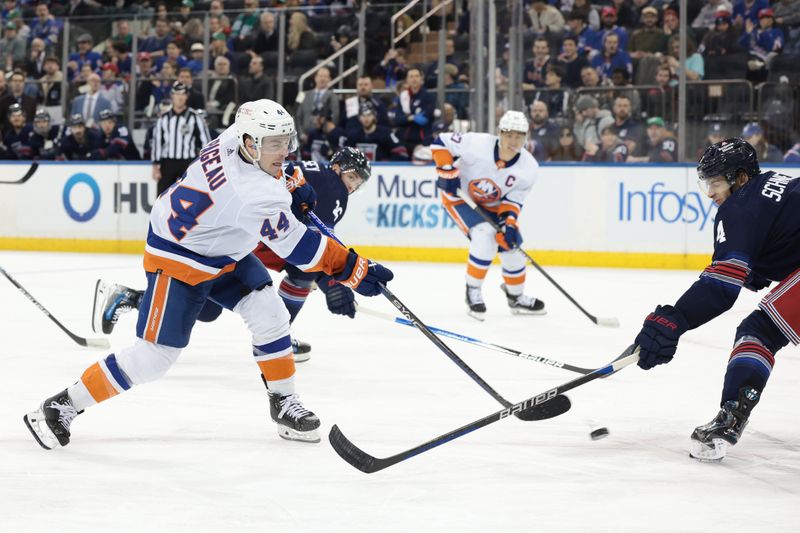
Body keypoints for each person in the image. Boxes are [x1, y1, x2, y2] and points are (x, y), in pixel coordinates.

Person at [23, 99, 394, 450]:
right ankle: (61, 406)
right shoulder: (254, 193)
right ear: (251, 142)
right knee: (155, 357)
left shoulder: (236, 136)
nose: (284, 152)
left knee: (271, 313)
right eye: (275, 144)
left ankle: (283, 402)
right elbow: (300, 250)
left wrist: (292, 182)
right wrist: (353, 269)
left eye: (287, 141)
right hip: (180, 254)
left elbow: (275, 174)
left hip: (219, 243)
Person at [94, 148, 374, 363]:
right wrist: (333, 283)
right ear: (337, 167)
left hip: (247, 232)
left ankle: (131, 297)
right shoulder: (334, 187)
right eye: (352, 177)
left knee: (207, 309)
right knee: (303, 271)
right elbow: (316, 245)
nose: (351, 186)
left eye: (357, 183)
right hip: (259, 235)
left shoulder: (312, 171)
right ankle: (278, 337)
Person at [632, 137, 800, 462]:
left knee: (759, 332)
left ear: (740, 178)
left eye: (716, 182)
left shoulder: (738, 208)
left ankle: (730, 418)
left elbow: (720, 289)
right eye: (706, 183)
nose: (710, 193)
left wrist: (675, 318)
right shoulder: (774, 183)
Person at [432, 110, 545, 320]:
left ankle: (516, 297)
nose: (514, 140)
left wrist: (509, 224)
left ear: (526, 137)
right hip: (460, 197)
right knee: (484, 235)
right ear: (499, 133)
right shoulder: (477, 143)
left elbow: (513, 202)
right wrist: (446, 170)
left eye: (519, 136)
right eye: (509, 135)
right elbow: (440, 142)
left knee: (513, 248)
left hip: (494, 206)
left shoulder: (529, 167)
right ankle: (473, 291)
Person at [151, 81, 211, 195]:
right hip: (167, 162)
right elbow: (158, 142)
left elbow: (205, 142)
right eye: (177, 94)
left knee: (190, 194)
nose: (179, 97)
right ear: (172, 95)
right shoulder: (163, 118)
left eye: (182, 94)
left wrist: (203, 163)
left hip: (188, 162)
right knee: (163, 196)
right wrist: (155, 166)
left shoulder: (195, 117)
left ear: (187, 96)